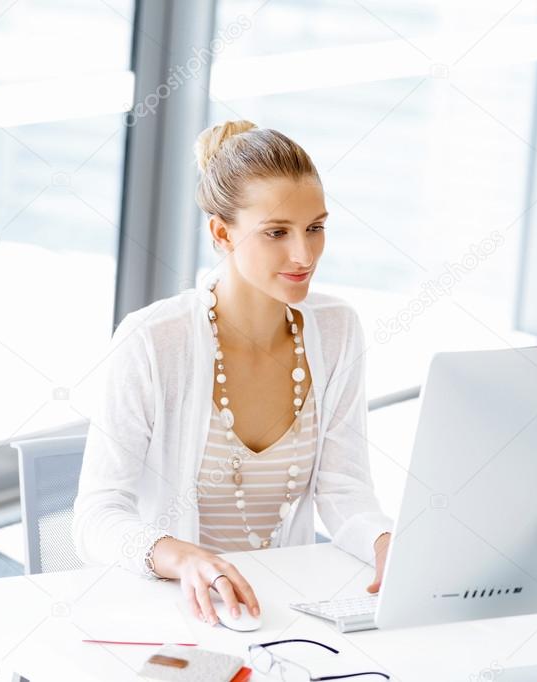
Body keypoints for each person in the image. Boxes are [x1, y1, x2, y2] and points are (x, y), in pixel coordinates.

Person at [72, 120, 394, 627]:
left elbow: (343, 488)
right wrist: (184, 558)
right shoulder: (155, 340)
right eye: (276, 233)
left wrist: (386, 542)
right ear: (222, 233)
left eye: (315, 228)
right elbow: (95, 516)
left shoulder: (337, 331)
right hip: (173, 611)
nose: (303, 255)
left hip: (283, 611)